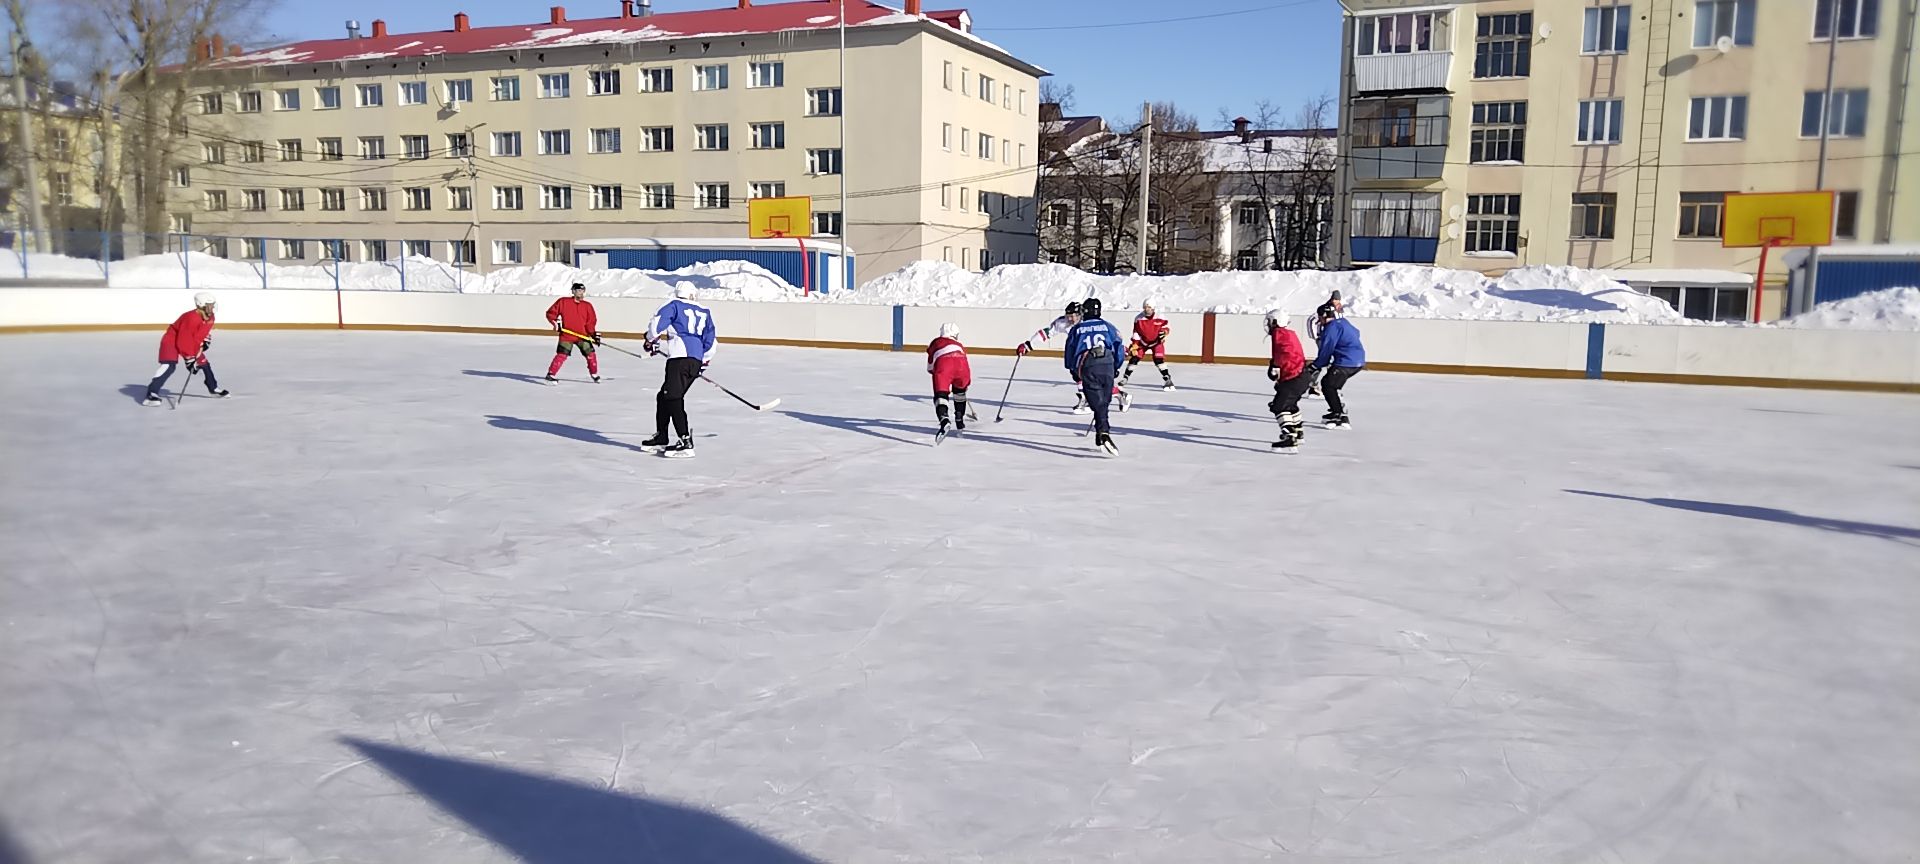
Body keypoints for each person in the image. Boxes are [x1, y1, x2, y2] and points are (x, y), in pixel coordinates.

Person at [642, 285, 718, 458]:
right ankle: (661, 436)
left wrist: (650, 340)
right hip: (694, 360)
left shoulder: (674, 304)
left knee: (673, 398)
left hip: (679, 359)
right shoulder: (704, 311)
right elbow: (711, 340)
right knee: (664, 396)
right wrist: (702, 362)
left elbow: (657, 325)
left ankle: (685, 441)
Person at [143, 292, 230, 406]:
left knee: (204, 364)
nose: (212, 307)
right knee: (169, 366)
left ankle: (213, 388)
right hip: (171, 341)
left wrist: (206, 340)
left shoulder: (211, 317)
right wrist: (189, 360)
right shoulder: (191, 318)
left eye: (213, 305)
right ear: (201, 305)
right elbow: (183, 341)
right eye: (209, 305)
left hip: (190, 342)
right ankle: (152, 392)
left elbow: (202, 332)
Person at [1064, 297, 1125, 455]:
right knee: (1104, 402)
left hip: (1089, 365)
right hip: (1108, 364)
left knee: (1096, 403)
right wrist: (1116, 366)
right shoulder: (1108, 326)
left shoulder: (1077, 329)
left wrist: (1073, 371)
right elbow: (1119, 345)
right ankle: (1101, 433)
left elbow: (1070, 352)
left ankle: (1103, 432)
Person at [1015, 301, 1088, 412]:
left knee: (1096, 379)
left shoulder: (1089, 322)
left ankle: (1118, 393)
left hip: (1092, 352)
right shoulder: (1063, 322)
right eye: (1068, 316)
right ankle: (1085, 397)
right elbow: (1047, 333)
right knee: (1074, 371)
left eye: (1072, 316)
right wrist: (1029, 344)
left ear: (1079, 315)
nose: (1069, 319)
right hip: (1078, 351)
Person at [1310, 301, 1366, 430]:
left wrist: (1316, 365)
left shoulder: (1331, 328)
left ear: (1324, 315)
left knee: (1328, 385)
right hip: (1358, 361)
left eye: (1320, 317)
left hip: (1346, 361)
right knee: (1332, 385)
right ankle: (1337, 411)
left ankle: (1339, 415)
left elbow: (1326, 350)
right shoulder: (1343, 322)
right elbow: (1356, 332)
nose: (1319, 321)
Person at [1264, 310, 1312, 452]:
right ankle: (1298, 433)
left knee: (1279, 406)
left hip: (1295, 377)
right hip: (1302, 376)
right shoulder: (1289, 333)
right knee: (1290, 404)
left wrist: (1276, 367)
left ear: (1275, 321)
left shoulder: (1279, 334)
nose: (1268, 325)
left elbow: (1284, 354)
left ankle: (1289, 437)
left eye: (1269, 321)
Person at [544, 283, 601, 383]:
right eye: (578, 290)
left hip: (582, 336)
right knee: (562, 355)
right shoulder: (563, 302)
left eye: (583, 291)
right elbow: (551, 314)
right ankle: (551, 375)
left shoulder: (587, 306)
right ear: (573, 291)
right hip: (567, 335)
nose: (581, 293)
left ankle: (594, 374)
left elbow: (591, 322)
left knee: (591, 354)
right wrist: (556, 324)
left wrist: (593, 335)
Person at [926, 322, 972, 441]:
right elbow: (964, 359)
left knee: (941, 396)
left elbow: (930, 367)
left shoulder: (936, 342)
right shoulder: (959, 345)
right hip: (962, 366)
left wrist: (936, 373)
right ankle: (959, 421)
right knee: (960, 393)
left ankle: (944, 420)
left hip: (944, 366)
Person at [1122, 300, 1176, 391]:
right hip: (1143, 343)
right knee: (1134, 358)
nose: (1147, 310)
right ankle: (1125, 378)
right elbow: (1136, 332)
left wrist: (1165, 332)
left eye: (1149, 307)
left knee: (1158, 360)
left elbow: (1167, 327)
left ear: (1153, 308)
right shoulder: (1138, 319)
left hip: (1157, 342)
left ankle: (1167, 379)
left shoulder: (1160, 317)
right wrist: (1135, 343)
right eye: (1145, 307)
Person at [1307, 290, 1342, 398]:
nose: (1336, 301)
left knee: (1330, 362)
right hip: (1324, 339)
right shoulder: (1324, 309)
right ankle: (1315, 386)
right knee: (1325, 361)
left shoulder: (1339, 309)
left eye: (1338, 299)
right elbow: (1311, 319)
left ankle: (1330, 387)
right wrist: (1316, 336)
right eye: (1334, 299)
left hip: (1333, 340)